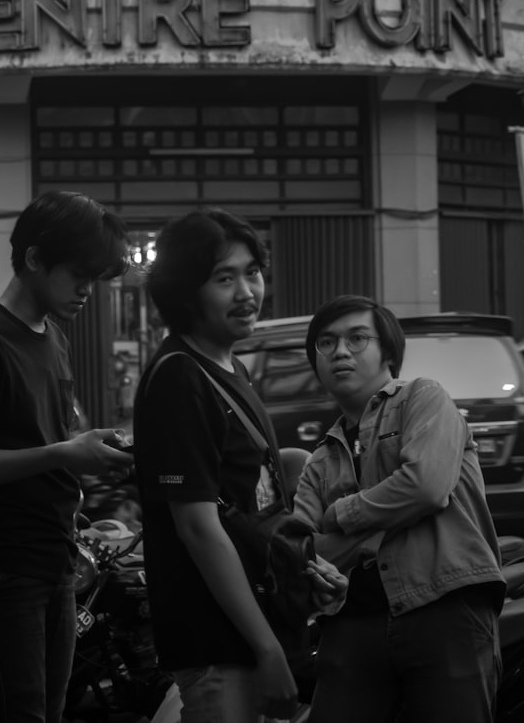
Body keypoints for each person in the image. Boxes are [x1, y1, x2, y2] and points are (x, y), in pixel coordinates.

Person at [0, 191, 135, 723]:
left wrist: (93, 445)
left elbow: (50, 436)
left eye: (96, 278)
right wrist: (64, 452)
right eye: (79, 274)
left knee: (50, 709)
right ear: (36, 258)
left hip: (56, 557)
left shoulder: (54, 338)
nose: (88, 291)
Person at [133, 208, 346, 723]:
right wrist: (267, 649)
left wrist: (305, 573)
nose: (247, 291)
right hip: (218, 644)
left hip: (254, 630)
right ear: (185, 292)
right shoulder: (179, 378)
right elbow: (198, 528)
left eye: (252, 272)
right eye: (224, 278)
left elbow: (250, 506)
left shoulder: (232, 367)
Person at [292, 294, 505, 723]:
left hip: (444, 607)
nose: (340, 352)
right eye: (326, 343)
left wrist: (342, 515)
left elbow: (425, 487)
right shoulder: (319, 461)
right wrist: (386, 516)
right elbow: (303, 552)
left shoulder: (422, 399)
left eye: (356, 338)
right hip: (352, 626)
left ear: (387, 351)